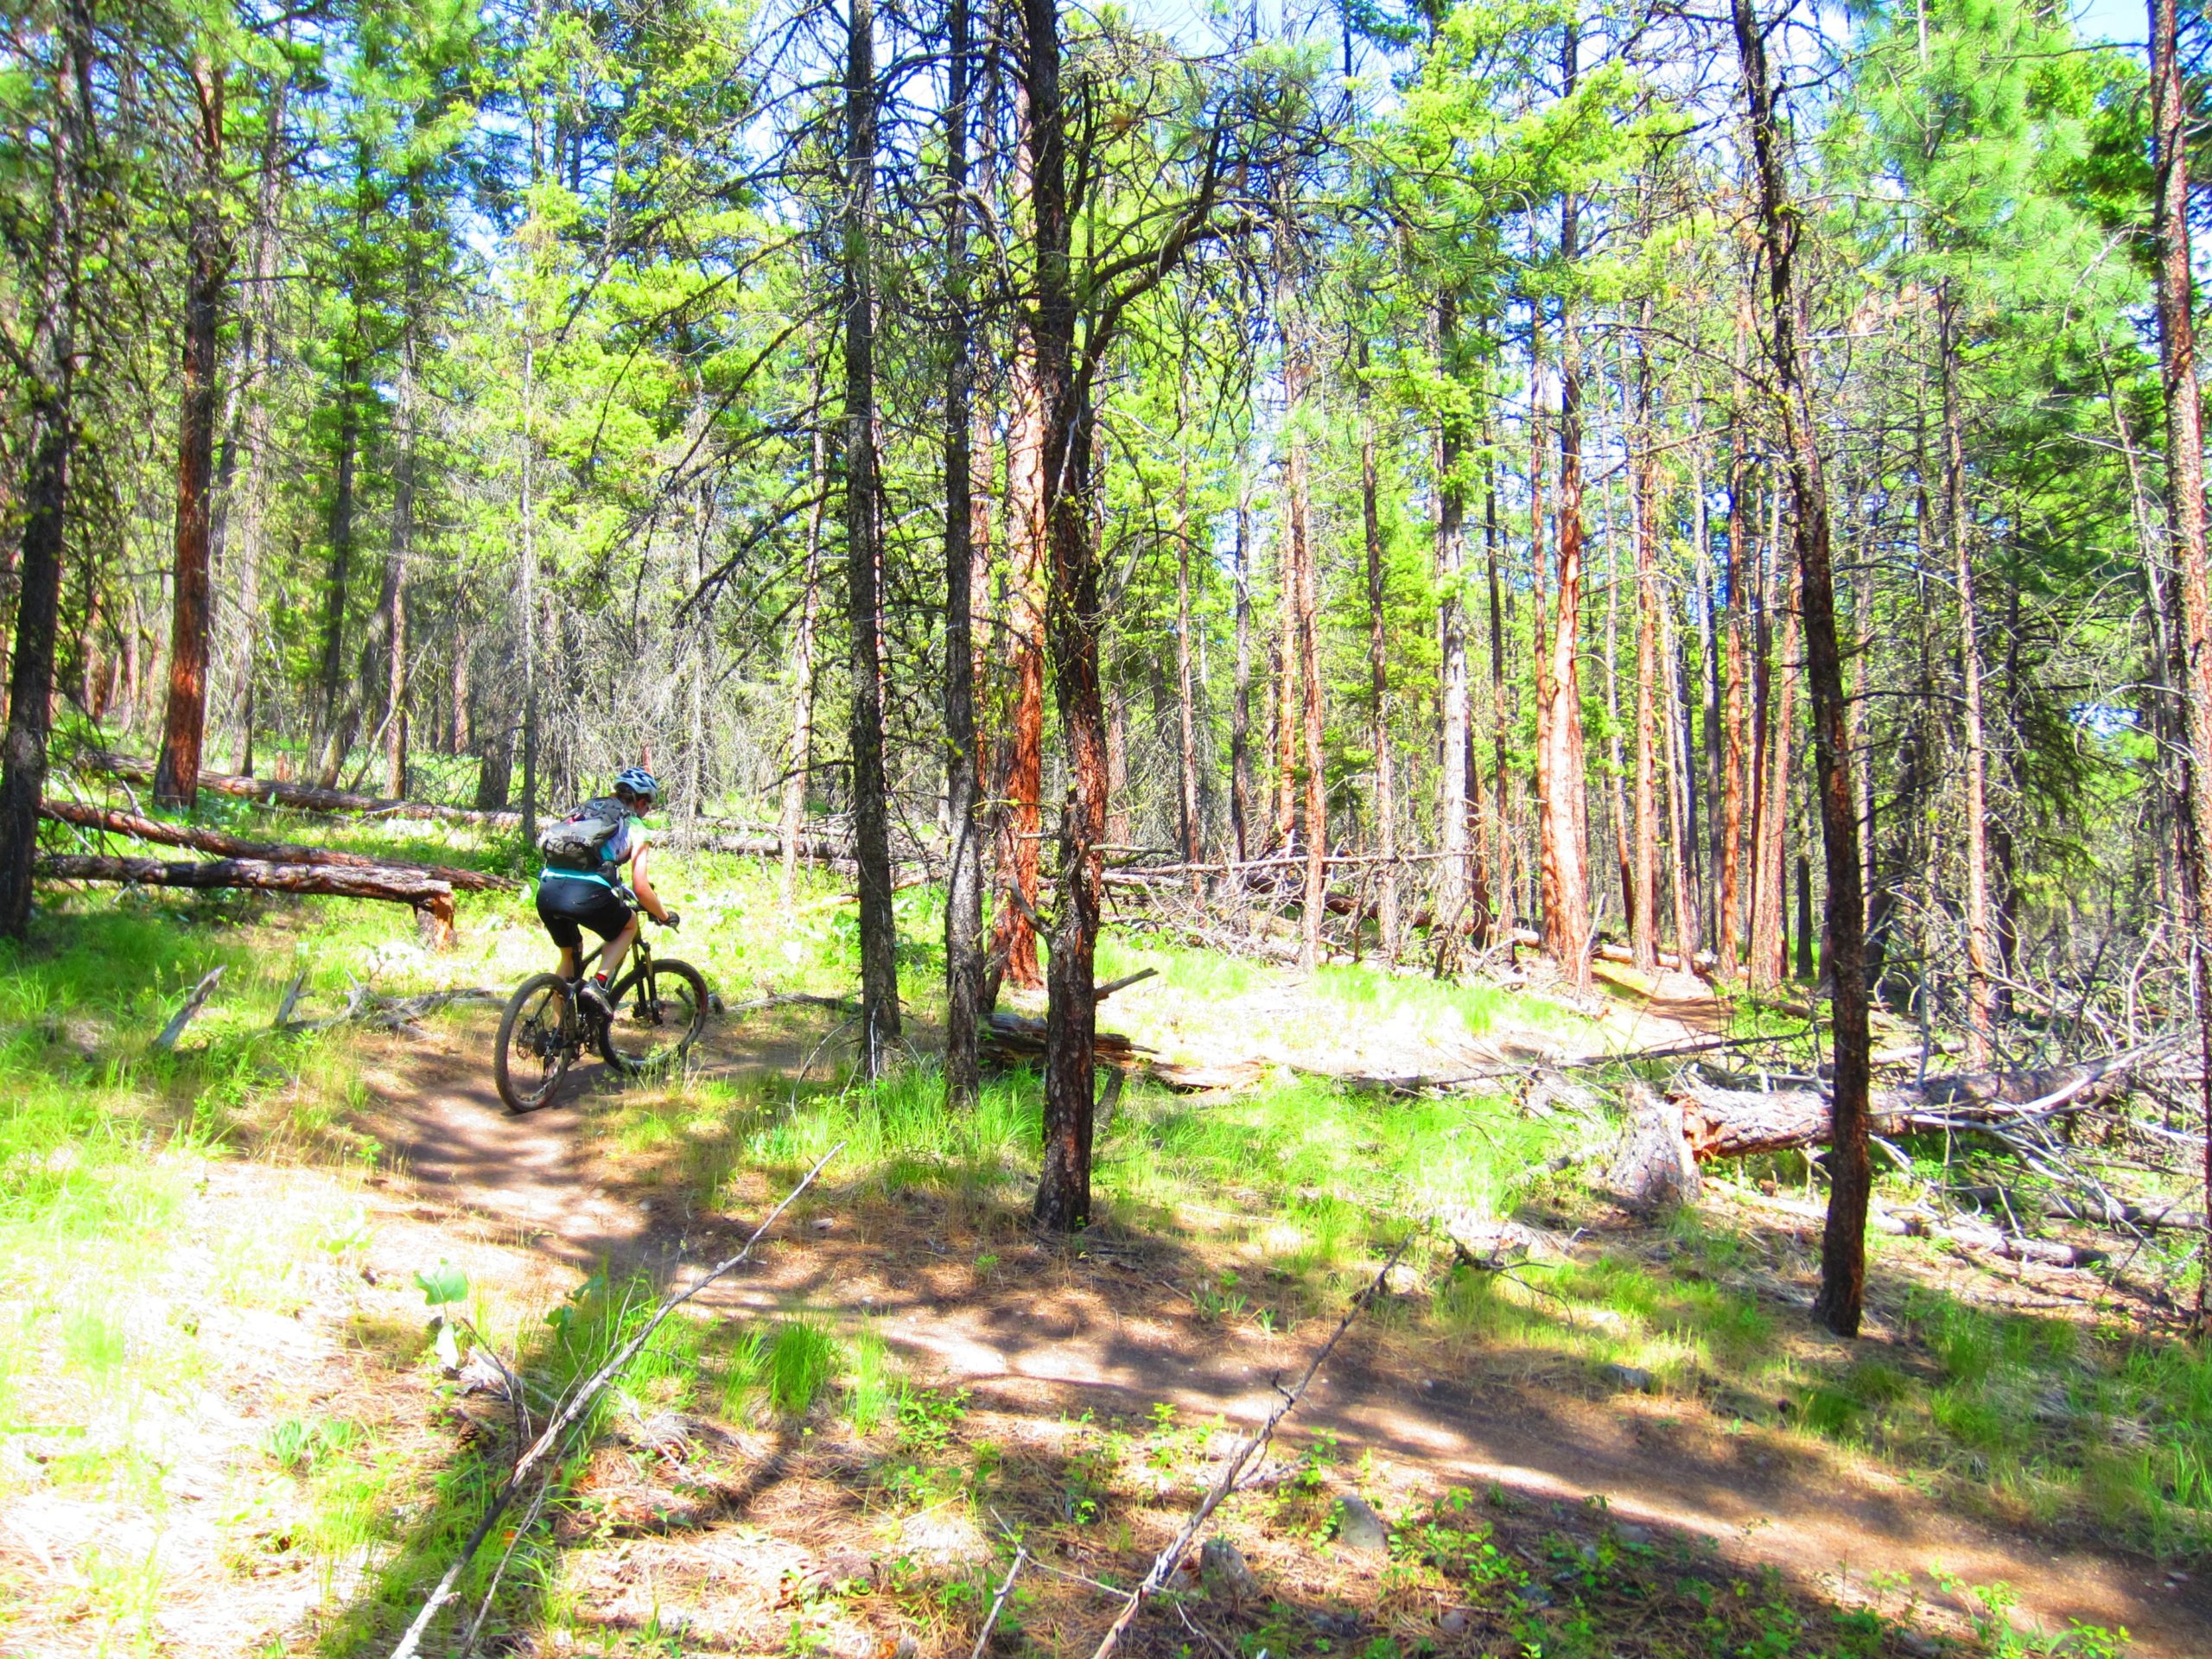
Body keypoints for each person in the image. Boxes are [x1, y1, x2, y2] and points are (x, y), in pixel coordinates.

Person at [535, 766, 678, 1016]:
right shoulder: (635, 826)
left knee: (570, 954)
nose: (647, 811)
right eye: (649, 806)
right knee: (629, 923)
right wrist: (664, 916)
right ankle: (599, 983)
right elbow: (641, 888)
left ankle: (560, 1036)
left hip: (547, 890)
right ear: (642, 801)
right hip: (586, 894)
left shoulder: (585, 812)